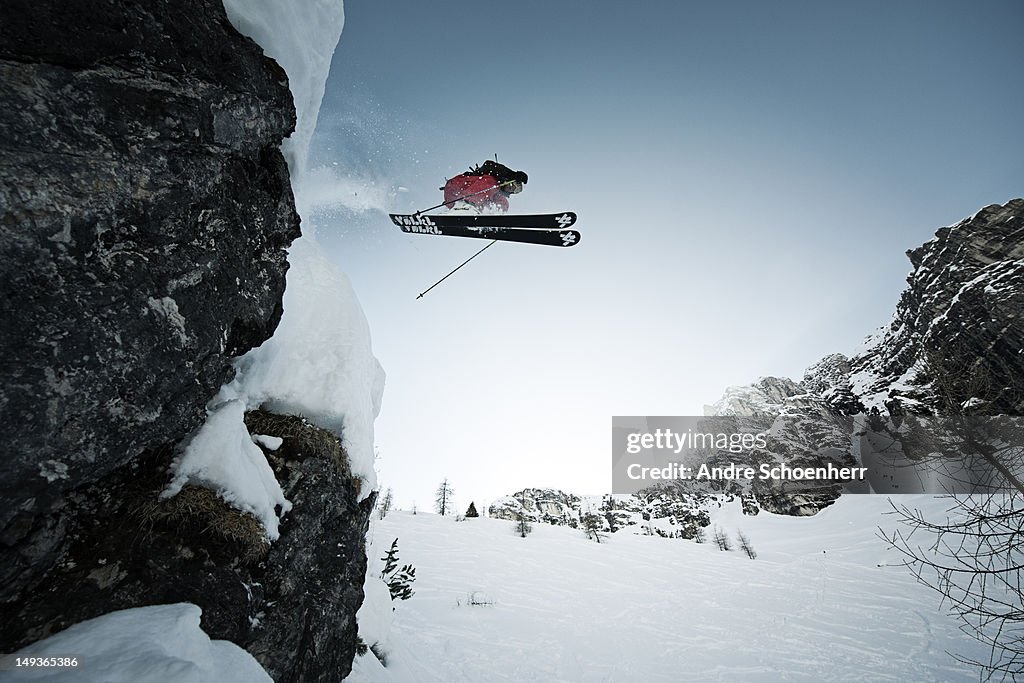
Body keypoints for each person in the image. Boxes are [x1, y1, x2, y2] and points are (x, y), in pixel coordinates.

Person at [441, 160, 528, 213]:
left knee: (503, 201)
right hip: (456, 189)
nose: (513, 189)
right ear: (509, 180)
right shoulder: (493, 177)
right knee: (492, 183)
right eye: (515, 185)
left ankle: (492, 217)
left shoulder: (496, 192)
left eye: (517, 191)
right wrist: (512, 174)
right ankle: (465, 206)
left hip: (464, 202)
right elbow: (488, 164)